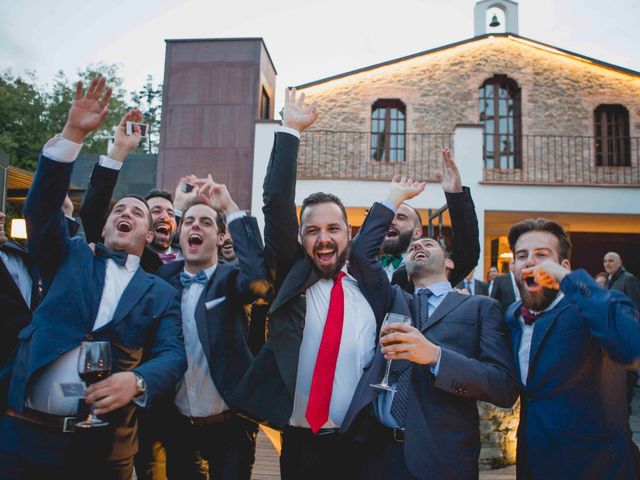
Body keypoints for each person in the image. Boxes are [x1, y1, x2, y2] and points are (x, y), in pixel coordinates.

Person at [0, 77, 187, 480]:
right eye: (120, 210)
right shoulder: (67, 256)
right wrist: (73, 135)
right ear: (102, 227)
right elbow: (40, 209)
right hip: (24, 438)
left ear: (149, 236)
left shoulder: (161, 292)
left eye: (138, 214)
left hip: (106, 452)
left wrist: (137, 380)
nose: (127, 215)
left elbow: (173, 355)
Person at [339, 161, 518, 480]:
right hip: (376, 454)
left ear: (450, 263)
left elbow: (503, 387)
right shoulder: (392, 298)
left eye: (429, 244)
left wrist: (437, 358)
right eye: (414, 247)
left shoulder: (479, 308)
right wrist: (392, 199)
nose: (418, 245)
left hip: (441, 456)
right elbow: (362, 256)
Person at [504, 219, 640, 479]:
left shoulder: (589, 307)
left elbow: (631, 342)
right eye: (522, 256)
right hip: (534, 465)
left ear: (564, 266)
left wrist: (569, 281)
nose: (531, 261)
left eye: (542, 255)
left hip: (597, 467)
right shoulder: (511, 316)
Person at [155, 181, 270, 479]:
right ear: (180, 233)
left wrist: (230, 209)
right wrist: (179, 207)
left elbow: (259, 278)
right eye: (189, 222)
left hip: (230, 426)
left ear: (220, 238)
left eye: (206, 222)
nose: (197, 226)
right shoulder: (162, 277)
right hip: (177, 424)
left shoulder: (230, 279)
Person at [79, 114, 200, 273]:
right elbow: (92, 212)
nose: (165, 216)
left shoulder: (194, 253)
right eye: (155, 211)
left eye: (170, 213)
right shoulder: (120, 248)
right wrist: (118, 151)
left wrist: (179, 206)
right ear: (146, 230)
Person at [603, 251, 640, 415]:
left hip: (625, 340)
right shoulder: (608, 281)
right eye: (605, 261)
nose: (607, 264)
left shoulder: (628, 279)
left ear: (620, 262)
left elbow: (636, 310)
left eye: (611, 260)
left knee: (625, 390)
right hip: (612, 340)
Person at [380, 201, 423, 280]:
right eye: (388, 218)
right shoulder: (374, 267)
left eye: (401, 218)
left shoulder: (425, 268)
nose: (391, 222)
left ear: (416, 233)